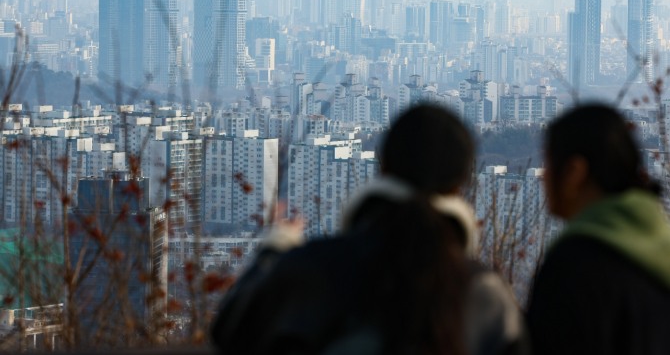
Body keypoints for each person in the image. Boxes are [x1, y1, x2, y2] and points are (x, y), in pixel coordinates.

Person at [211, 104, 527, 355]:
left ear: (383, 167)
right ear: (461, 186)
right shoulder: (485, 294)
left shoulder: (315, 269)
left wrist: (275, 249)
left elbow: (231, 332)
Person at [527, 104, 670, 355]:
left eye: (548, 164)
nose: (543, 176)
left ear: (574, 172)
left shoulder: (573, 265)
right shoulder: (660, 253)